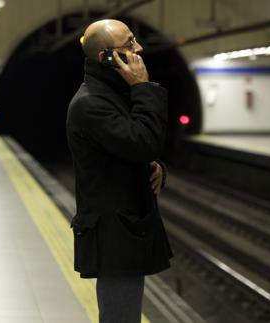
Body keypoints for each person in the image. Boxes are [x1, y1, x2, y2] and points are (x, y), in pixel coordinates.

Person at [66, 19, 172, 323]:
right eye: (128, 45)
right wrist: (142, 87)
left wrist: (156, 166)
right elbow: (143, 142)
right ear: (106, 57)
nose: (138, 49)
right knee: (120, 317)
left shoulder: (110, 93)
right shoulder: (91, 104)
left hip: (124, 226)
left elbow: (134, 143)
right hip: (114, 234)